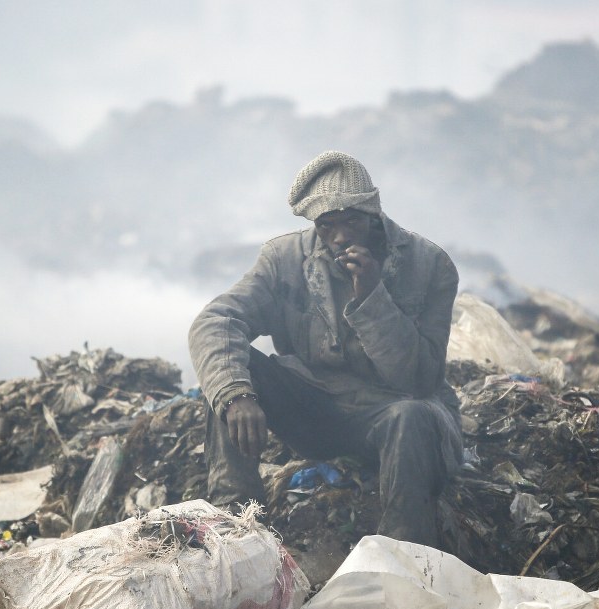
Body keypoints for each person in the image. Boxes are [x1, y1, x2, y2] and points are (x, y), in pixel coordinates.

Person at [188, 150, 462, 547]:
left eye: (352, 221)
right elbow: (217, 320)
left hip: (393, 414)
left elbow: (419, 380)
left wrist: (372, 296)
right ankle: (235, 527)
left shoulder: (429, 265)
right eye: (327, 225)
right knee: (230, 374)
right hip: (317, 407)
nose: (340, 236)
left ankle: (404, 554)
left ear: (373, 214)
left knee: (412, 416)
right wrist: (236, 395)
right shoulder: (284, 259)